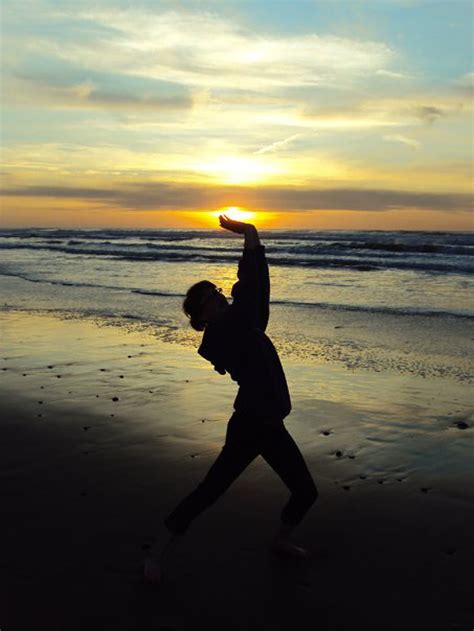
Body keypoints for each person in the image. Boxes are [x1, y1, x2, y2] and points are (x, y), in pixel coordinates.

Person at [144, 215, 318, 584]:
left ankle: (282, 540)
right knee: (210, 490)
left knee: (305, 491)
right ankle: (158, 550)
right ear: (200, 317)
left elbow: (258, 291)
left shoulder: (245, 323)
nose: (218, 297)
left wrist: (253, 237)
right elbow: (251, 288)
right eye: (209, 299)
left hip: (270, 423)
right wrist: (250, 236)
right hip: (250, 426)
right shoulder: (218, 337)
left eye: (216, 292)